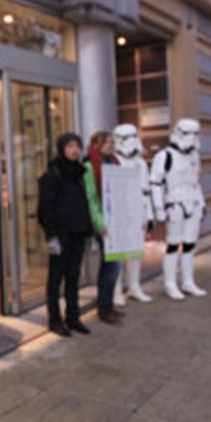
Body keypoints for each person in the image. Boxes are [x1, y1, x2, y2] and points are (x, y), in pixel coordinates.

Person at [38, 133, 94, 336]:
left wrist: (88, 228)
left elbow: (85, 203)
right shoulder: (52, 175)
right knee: (56, 278)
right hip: (60, 234)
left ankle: (73, 317)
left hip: (78, 232)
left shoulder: (80, 173)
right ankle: (55, 320)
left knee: (73, 276)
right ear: (62, 149)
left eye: (77, 146)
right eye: (70, 146)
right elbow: (45, 208)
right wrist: (51, 236)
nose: (74, 150)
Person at [150, 118, 207, 299]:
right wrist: (159, 207)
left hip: (193, 202)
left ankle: (188, 281)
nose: (191, 138)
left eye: (194, 134)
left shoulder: (194, 156)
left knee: (190, 245)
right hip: (174, 203)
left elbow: (196, 182)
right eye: (187, 133)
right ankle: (170, 283)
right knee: (173, 245)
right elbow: (156, 183)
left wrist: (202, 202)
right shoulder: (164, 156)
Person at [111, 124, 154, 303]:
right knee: (118, 254)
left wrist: (148, 214)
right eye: (126, 137)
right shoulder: (113, 161)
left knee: (135, 252)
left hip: (138, 208)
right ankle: (116, 289)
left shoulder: (140, 163)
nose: (130, 141)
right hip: (119, 209)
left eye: (133, 136)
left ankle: (134, 286)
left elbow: (146, 190)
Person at [85, 131, 124, 324]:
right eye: (106, 142)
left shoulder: (114, 162)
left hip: (115, 220)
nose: (110, 145)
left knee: (114, 265)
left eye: (111, 142)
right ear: (96, 144)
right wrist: (99, 223)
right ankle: (104, 307)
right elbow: (91, 197)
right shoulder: (90, 166)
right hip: (103, 222)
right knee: (111, 265)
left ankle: (107, 304)